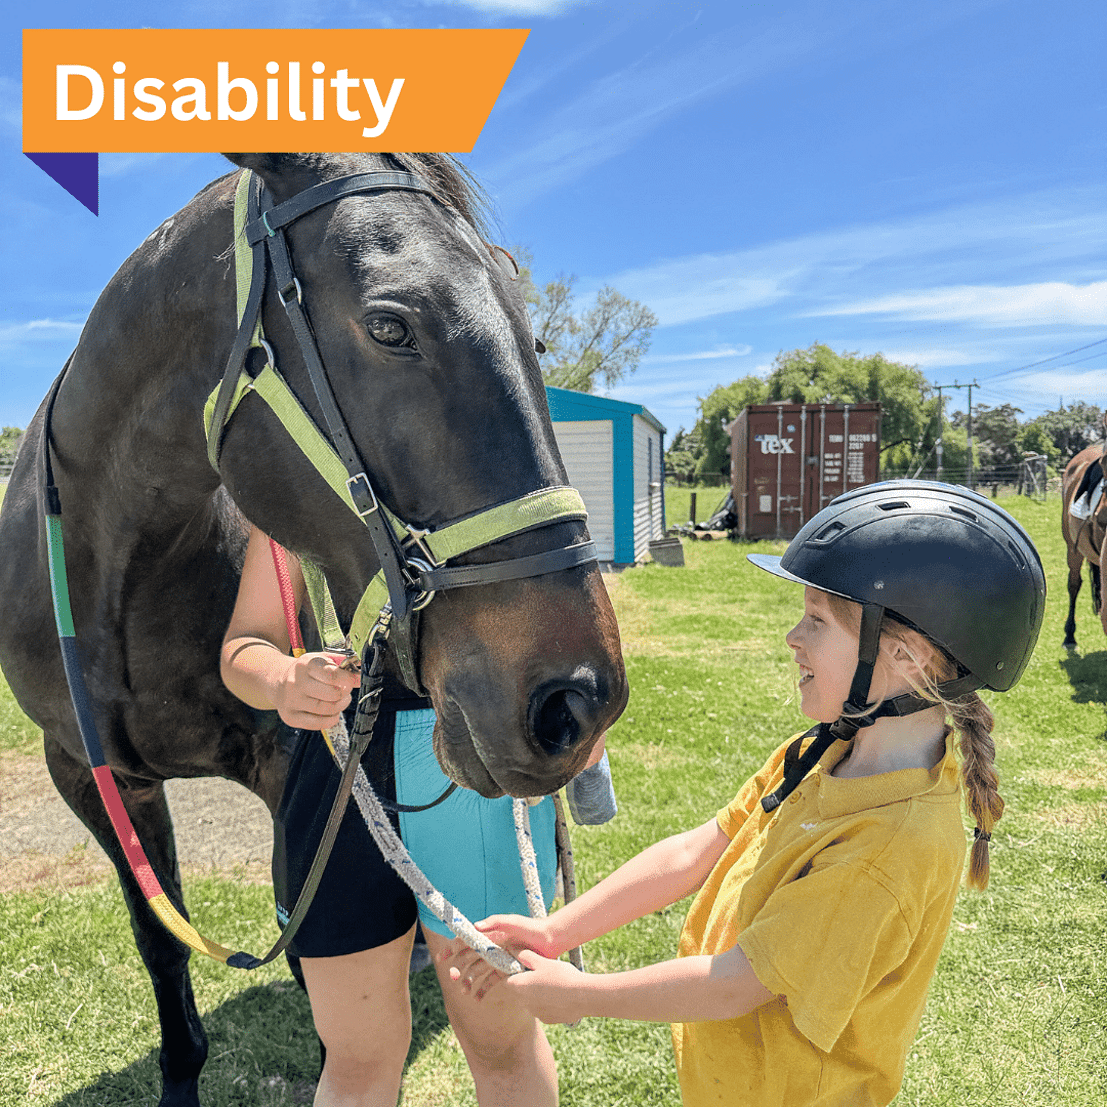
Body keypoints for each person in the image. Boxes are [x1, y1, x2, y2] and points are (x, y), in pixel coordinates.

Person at [440, 480, 1046, 1107]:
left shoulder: (886, 850)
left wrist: (582, 997)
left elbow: (737, 983)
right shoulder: (819, 754)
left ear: (905, 658)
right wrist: (555, 932)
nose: (793, 637)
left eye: (817, 621)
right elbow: (692, 854)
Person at [222, 522, 606, 1107]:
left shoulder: (487, 465)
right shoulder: (291, 485)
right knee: (355, 1060)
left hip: (475, 760)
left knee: (502, 1045)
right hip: (336, 771)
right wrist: (280, 680)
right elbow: (244, 645)